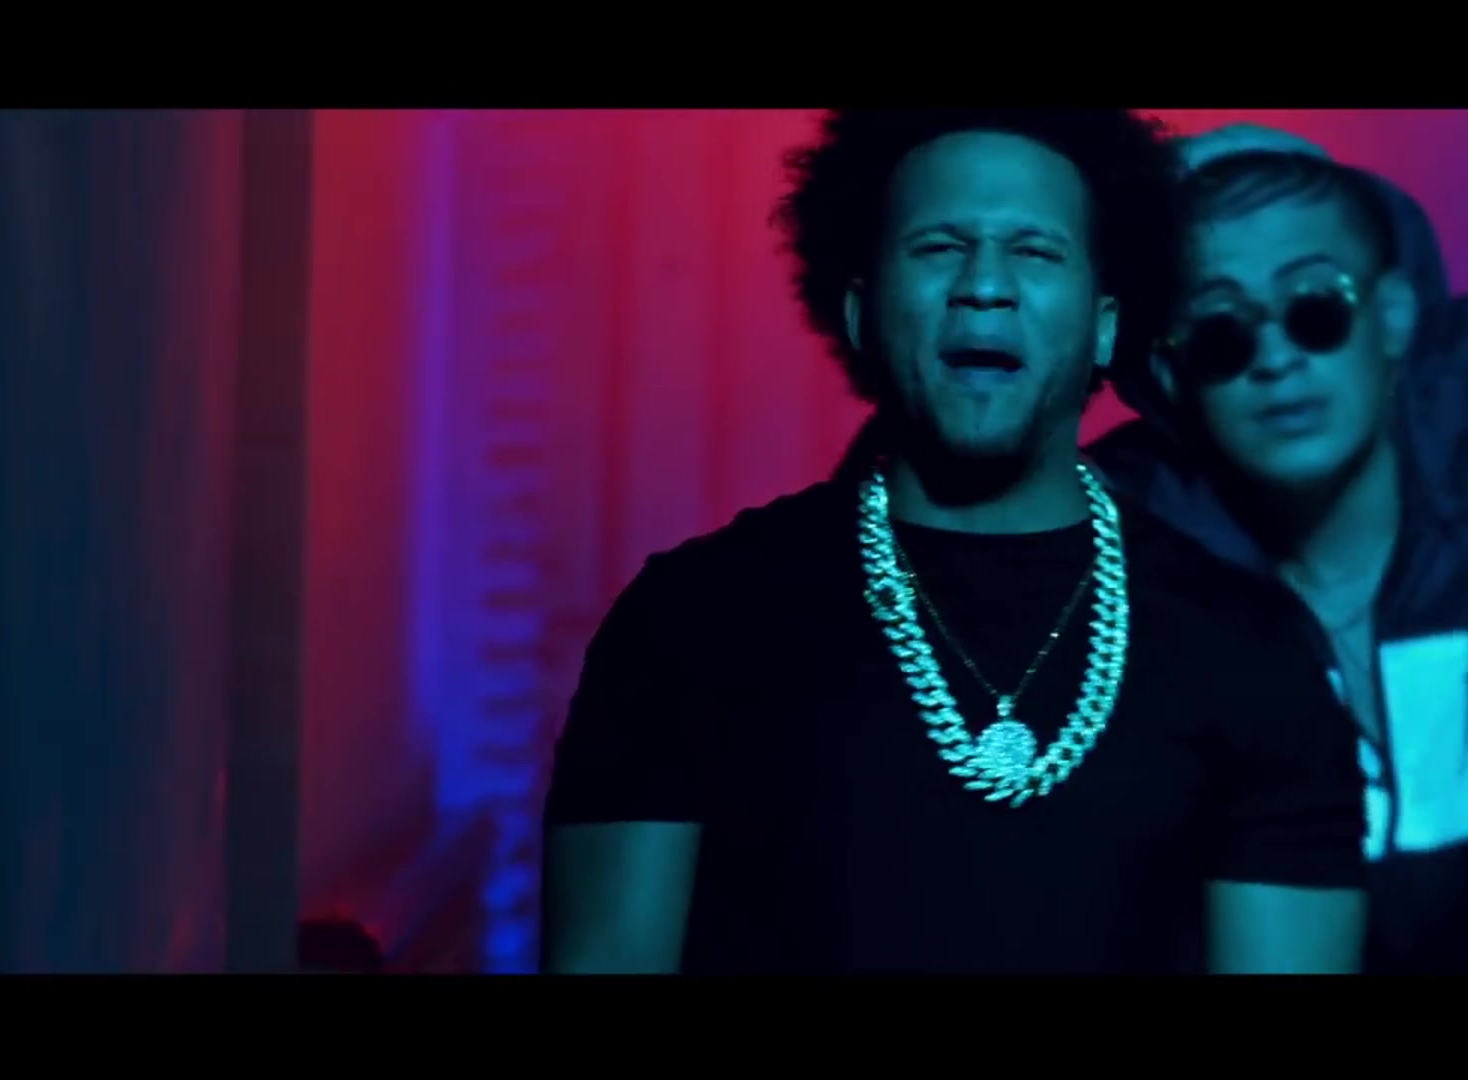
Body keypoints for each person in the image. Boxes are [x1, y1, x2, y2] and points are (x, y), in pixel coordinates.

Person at [539, 109, 1368, 975]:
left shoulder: (1249, 650)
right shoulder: (691, 622)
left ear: (1105, 327)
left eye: (1035, 252)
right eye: (939, 247)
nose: (985, 285)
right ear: (860, 312)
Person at [1088, 126, 1468, 973]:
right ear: (1170, 375)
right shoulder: (1120, 595)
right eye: (1220, 332)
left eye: (1316, 306)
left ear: (1392, 315)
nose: (1276, 357)